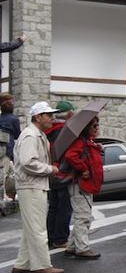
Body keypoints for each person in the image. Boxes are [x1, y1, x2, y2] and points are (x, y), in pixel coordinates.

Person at [11, 101, 64, 273]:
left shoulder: (35, 134)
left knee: (31, 228)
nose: (52, 118)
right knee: (38, 228)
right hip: (31, 185)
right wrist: (49, 169)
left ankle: (23, 264)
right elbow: (28, 162)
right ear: (37, 117)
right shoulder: (31, 136)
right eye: (48, 115)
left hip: (33, 184)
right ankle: (41, 265)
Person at [62, 117, 104, 259]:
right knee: (83, 216)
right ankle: (82, 248)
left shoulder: (87, 142)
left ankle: (72, 246)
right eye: (94, 125)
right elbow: (70, 156)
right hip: (81, 184)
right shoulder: (80, 142)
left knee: (82, 215)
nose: (97, 127)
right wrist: (84, 169)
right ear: (86, 128)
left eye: (97, 124)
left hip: (85, 184)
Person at [45, 101, 76, 249]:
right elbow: (69, 154)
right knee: (64, 207)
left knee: (53, 207)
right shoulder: (65, 131)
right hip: (63, 172)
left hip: (50, 172)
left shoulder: (47, 130)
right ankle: (61, 238)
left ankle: (50, 237)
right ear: (69, 113)